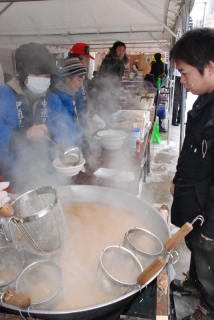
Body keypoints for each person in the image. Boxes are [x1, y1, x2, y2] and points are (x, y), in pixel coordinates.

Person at [169, 28, 214, 320]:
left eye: (185, 74)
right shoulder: (204, 99)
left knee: (209, 258)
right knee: (195, 247)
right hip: (193, 196)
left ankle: (208, 309)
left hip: (208, 207)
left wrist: (211, 225)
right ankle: (195, 284)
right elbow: (192, 148)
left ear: (209, 67)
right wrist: (177, 177)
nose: (182, 82)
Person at [0, 42, 76, 194]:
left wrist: (68, 149)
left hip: (47, 175)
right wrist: (24, 133)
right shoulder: (3, 96)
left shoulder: (52, 99)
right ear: (23, 75)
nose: (43, 80)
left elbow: (66, 128)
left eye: (47, 76)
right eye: (37, 75)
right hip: (13, 180)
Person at [52, 58, 87, 149]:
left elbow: (74, 121)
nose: (81, 84)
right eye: (79, 80)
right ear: (68, 77)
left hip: (73, 144)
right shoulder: (62, 97)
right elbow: (63, 129)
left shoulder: (70, 94)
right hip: (65, 148)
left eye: (83, 80)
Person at [94, 41, 129, 121]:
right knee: (104, 114)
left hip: (111, 93)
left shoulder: (120, 62)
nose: (122, 52)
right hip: (103, 93)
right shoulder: (109, 60)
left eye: (123, 50)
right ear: (114, 50)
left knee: (111, 113)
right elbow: (107, 79)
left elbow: (119, 79)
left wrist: (118, 91)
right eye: (119, 50)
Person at [69, 42, 95, 114]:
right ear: (76, 59)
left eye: (88, 60)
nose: (88, 63)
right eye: (86, 60)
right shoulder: (68, 77)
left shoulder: (82, 74)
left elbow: (85, 93)